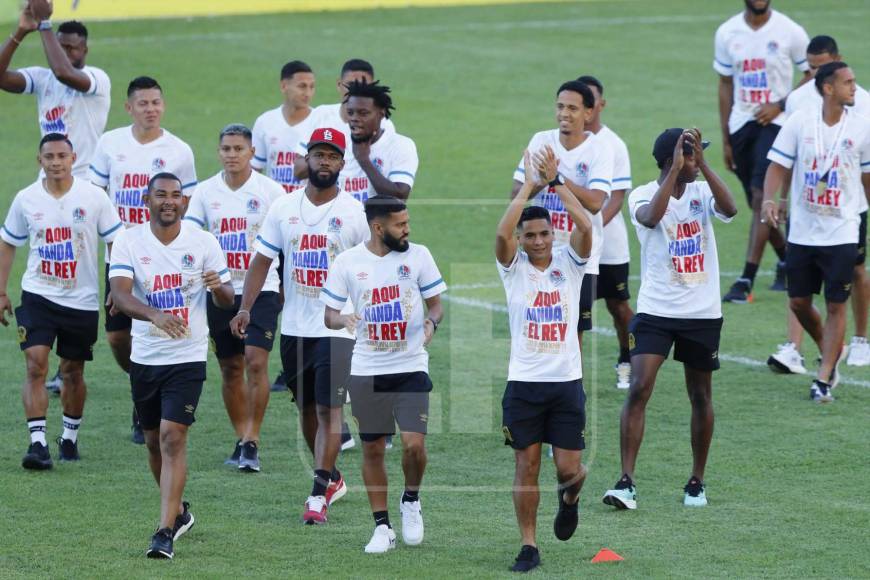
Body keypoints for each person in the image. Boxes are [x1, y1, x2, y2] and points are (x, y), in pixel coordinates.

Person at [231, 128, 368, 522]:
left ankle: (317, 494)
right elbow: (262, 260)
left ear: (342, 164)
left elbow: (369, 268)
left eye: (332, 156)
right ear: (306, 160)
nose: (324, 162)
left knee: (328, 409)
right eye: (318, 154)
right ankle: (333, 478)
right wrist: (245, 308)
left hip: (337, 328)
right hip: (295, 327)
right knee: (307, 409)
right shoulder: (284, 207)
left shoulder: (354, 213)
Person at [602, 128, 738, 510]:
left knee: (700, 395)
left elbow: (730, 209)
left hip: (702, 313)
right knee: (639, 387)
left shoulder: (702, 190)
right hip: (656, 312)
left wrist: (704, 167)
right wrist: (678, 169)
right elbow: (650, 218)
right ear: (671, 160)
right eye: (693, 155)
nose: (697, 162)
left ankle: (697, 481)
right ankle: (626, 481)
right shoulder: (643, 193)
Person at [109, 172, 234, 559]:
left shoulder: (204, 242)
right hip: (145, 357)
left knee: (172, 436)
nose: (168, 201)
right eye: (160, 195)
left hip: (187, 356)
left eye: (176, 195)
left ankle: (163, 532)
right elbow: (120, 296)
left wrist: (218, 287)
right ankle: (178, 512)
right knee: (152, 441)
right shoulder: (129, 240)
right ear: (147, 200)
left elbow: (228, 299)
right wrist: (155, 316)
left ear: (184, 202)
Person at [320, 195, 446, 553]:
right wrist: (343, 319)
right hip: (367, 369)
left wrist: (432, 323)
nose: (408, 229)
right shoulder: (348, 263)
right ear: (378, 228)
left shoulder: (418, 255)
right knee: (372, 448)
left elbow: (435, 303)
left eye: (407, 222)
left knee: (414, 445)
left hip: (410, 365)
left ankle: (411, 499)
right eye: (400, 224)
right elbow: (328, 314)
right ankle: (382, 527)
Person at [0, 133, 122, 469]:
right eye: (49, 156)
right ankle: (37, 444)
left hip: (81, 301)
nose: (56, 162)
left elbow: (116, 240)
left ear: (73, 158)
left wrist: (117, 285)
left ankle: (69, 438)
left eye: (62, 156)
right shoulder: (26, 198)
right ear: (40, 160)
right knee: (35, 365)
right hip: (38, 295)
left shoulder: (94, 197)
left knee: (72, 371)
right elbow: (8, 242)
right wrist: (1, 290)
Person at [497, 148, 593, 573]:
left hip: (566, 384)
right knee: (527, 464)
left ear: (554, 233)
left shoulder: (569, 265)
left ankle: (569, 498)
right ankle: (529, 545)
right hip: (524, 385)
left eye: (543, 234)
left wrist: (556, 183)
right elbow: (500, 234)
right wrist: (529, 187)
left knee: (570, 470)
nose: (537, 241)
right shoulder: (512, 268)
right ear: (521, 239)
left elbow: (587, 225)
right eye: (529, 235)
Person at [90, 75, 197, 444]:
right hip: (121, 256)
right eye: (143, 103)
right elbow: (98, 202)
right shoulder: (109, 144)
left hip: (165, 260)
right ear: (129, 107)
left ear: (163, 105)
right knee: (117, 337)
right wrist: (110, 255)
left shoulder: (179, 150)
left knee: (161, 328)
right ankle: (141, 385)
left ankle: (150, 404)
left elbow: (188, 206)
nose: (150, 109)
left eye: (156, 103)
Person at [761, 62, 870, 402]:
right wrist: (769, 199)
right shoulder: (800, 122)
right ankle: (830, 348)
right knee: (798, 302)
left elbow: (867, 179)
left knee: (837, 303)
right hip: (803, 230)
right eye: (847, 82)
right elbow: (777, 165)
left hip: (842, 228)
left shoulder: (863, 126)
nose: (854, 87)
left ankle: (823, 378)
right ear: (827, 88)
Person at [184, 124, 285, 471]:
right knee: (230, 367)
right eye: (226, 148)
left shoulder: (271, 192)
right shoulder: (204, 192)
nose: (231, 155)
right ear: (218, 152)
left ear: (252, 152)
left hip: (263, 288)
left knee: (256, 361)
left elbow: (285, 244)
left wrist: (284, 285)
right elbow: (192, 239)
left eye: (238, 149)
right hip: (220, 292)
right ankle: (241, 436)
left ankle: (253, 440)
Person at [715, 0, 810, 303]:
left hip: (777, 124)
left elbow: (812, 75)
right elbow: (725, 85)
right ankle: (786, 260)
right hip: (741, 124)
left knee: (760, 196)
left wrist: (780, 105)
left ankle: (745, 280)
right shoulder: (727, 32)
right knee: (757, 204)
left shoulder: (790, 31)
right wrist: (727, 139)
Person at [512, 80, 612, 358]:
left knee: (572, 332)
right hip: (539, 252)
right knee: (535, 324)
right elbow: (515, 194)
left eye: (572, 108)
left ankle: (571, 391)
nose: (564, 114)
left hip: (579, 256)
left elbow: (594, 202)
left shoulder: (600, 149)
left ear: (588, 114)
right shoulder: (541, 141)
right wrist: (541, 181)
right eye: (560, 106)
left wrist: (556, 178)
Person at [0, 0, 110, 178]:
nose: (65, 52)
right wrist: (21, 31)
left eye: (71, 48)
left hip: (83, 180)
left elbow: (63, 72)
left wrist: (44, 24)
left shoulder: (97, 78)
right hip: (47, 180)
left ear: (84, 50)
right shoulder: (42, 78)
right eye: (60, 47)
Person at [577, 75, 635, 389]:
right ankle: (572, 380)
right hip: (573, 246)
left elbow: (617, 197)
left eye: (592, 99)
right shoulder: (566, 142)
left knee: (618, 305)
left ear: (600, 104)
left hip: (609, 245)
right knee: (576, 313)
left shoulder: (613, 145)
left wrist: (591, 227)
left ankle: (628, 358)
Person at [333, 80, 418, 202]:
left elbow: (399, 197)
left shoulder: (401, 145)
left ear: (381, 114)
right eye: (350, 113)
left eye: (363, 113)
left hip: (378, 221)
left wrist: (363, 160)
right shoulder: (338, 144)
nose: (354, 119)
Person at [251, 60, 319, 193]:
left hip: (308, 204)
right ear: (283, 86)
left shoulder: (320, 122)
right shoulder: (265, 122)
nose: (308, 93)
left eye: (312, 86)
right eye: (302, 86)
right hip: (275, 204)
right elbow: (254, 171)